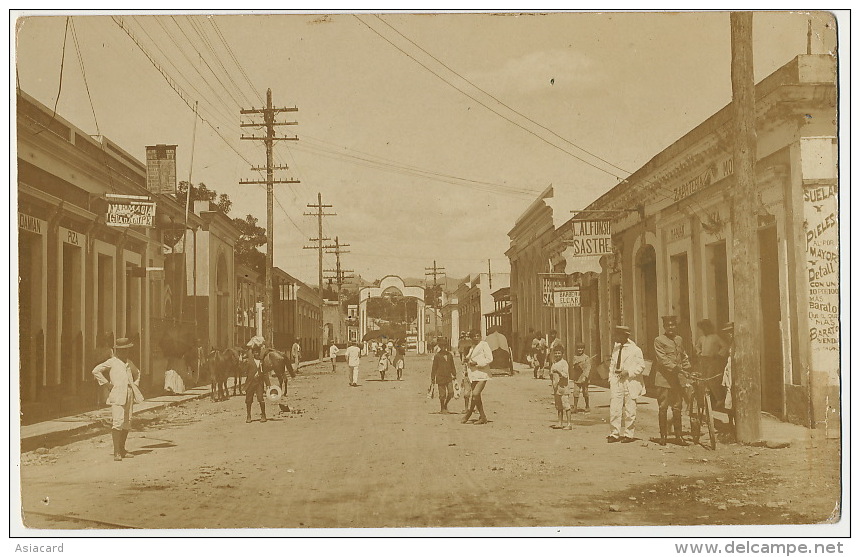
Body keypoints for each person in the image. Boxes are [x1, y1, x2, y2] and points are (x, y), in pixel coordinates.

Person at [91, 338, 145, 461]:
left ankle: (122, 449)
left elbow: (138, 373)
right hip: (117, 394)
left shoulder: (129, 362)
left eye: (127, 350)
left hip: (129, 394)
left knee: (127, 422)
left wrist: (135, 384)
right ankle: (116, 452)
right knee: (118, 422)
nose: (125, 352)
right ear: (118, 351)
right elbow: (96, 370)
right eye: (122, 350)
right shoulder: (112, 362)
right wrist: (106, 384)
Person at [654, 316, 692, 446]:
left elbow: (683, 355)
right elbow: (662, 359)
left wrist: (687, 368)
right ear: (664, 327)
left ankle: (678, 436)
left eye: (673, 325)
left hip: (677, 380)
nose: (671, 327)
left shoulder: (679, 339)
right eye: (668, 325)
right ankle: (663, 436)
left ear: (676, 326)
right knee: (663, 407)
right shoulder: (659, 340)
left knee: (677, 408)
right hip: (663, 380)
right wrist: (678, 369)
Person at [606, 326, 646, 443]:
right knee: (615, 408)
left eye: (617, 335)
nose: (615, 337)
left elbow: (641, 366)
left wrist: (629, 372)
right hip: (617, 381)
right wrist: (611, 379)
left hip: (630, 381)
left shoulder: (635, 350)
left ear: (625, 336)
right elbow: (612, 364)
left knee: (630, 409)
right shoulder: (616, 348)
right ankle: (614, 433)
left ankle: (629, 434)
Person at [694, 318, 729, 408]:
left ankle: (719, 398)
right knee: (702, 380)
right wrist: (699, 352)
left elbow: (725, 346)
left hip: (712, 361)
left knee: (711, 379)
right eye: (703, 328)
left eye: (706, 327)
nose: (704, 329)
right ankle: (703, 402)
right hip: (703, 361)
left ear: (709, 327)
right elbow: (697, 346)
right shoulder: (701, 338)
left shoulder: (715, 337)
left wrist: (718, 355)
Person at [462, 331, 492, 425]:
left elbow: (489, 358)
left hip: (482, 373)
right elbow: (470, 357)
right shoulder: (472, 346)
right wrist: (467, 360)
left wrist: (477, 363)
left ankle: (469, 414)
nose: (476, 338)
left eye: (478, 336)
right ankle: (483, 417)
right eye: (474, 336)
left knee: (475, 394)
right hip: (474, 374)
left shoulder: (484, 344)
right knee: (477, 396)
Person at [243, 342, 270, 423]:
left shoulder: (262, 362)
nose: (256, 353)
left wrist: (268, 384)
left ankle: (263, 415)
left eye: (258, 352)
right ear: (253, 353)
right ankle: (248, 416)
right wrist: (242, 362)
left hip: (259, 383)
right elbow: (244, 371)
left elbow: (265, 374)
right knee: (248, 400)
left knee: (261, 398)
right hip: (250, 383)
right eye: (255, 352)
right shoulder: (249, 361)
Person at [431, 339, 457, 413]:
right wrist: (432, 377)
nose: (443, 347)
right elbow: (434, 368)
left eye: (444, 346)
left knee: (451, 392)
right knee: (442, 395)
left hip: (448, 377)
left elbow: (452, 365)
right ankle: (442, 408)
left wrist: (454, 374)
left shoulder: (449, 355)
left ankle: (445, 404)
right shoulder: (437, 356)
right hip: (440, 377)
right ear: (439, 346)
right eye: (441, 346)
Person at [549, 344, 571, 430]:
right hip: (556, 388)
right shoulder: (554, 363)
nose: (557, 355)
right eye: (556, 353)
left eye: (559, 353)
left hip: (563, 388)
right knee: (559, 406)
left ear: (562, 354)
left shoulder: (564, 363)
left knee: (566, 406)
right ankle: (560, 423)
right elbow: (551, 374)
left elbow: (565, 375)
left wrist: (558, 372)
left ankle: (569, 424)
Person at [721, 322, 735, 430]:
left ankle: (734, 423)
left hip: (734, 373)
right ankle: (730, 423)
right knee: (728, 397)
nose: (728, 335)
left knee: (733, 399)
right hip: (729, 372)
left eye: (730, 332)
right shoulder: (730, 344)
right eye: (727, 333)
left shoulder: (736, 344)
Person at [570, 343, 592, 413]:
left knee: (585, 392)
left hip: (584, 378)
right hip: (577, 378)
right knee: (575, 392)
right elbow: (573, 366)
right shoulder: (575, 357)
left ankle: (587, 406)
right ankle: (575, 407)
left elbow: (588, 368)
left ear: (584, 349)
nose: (580, 350)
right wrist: (577, 365)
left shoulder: (586, 358)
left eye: (581, 348)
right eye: (579, 348)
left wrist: (585, 377)